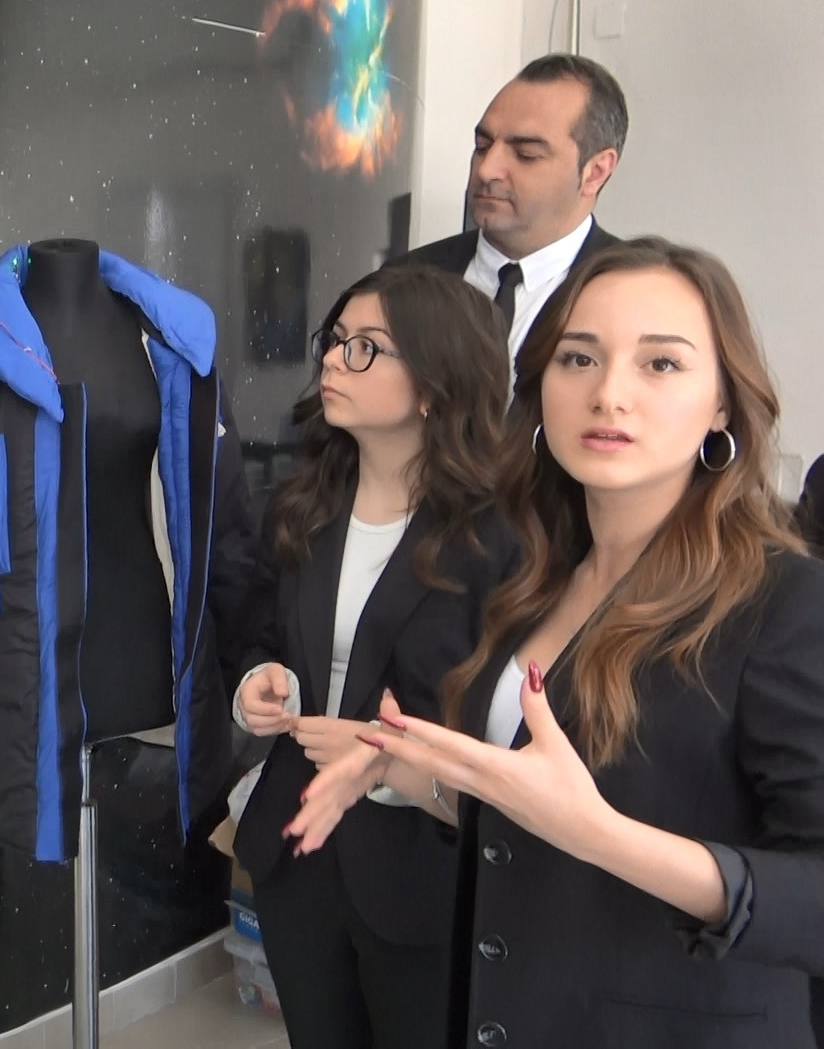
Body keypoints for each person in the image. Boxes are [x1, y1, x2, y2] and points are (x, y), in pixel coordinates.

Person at [290, 238, 824, 1047]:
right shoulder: (538, 578)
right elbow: (527, 816)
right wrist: (416, 774)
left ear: (723, 403)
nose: (608, 394)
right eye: (579, 359)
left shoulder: (783, 602)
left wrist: (601, 836)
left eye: (661, 364)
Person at [230, 263, 512, 1048]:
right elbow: (258, 637)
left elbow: (504, 724)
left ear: (434, 385)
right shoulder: (303, 506)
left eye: (365, 348)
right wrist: (259, 684)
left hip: (422, 868)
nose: (332, 360)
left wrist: (387, 758)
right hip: (297, 853)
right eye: (335, 340)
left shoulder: (498, 542)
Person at [397, 53, 627, 360]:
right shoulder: (401, 283)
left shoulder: (642, 296)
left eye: (525, 154)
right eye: (482, 147)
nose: (486, 170)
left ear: (595, 172)